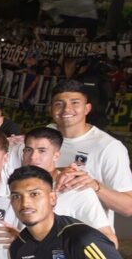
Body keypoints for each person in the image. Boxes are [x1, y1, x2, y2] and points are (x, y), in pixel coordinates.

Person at [50, 80, 132, 223]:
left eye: (75, 103)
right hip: (45, 237)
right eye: (59, 104)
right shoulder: (43, 136)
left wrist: (95, 186)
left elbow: (128, 207)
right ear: (51, 109)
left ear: (87, 108)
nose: (66, 109)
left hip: (87, 239)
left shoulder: (109, 147)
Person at [22, 127, 116, 245]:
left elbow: (110, 240)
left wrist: (70, 251)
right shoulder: (13, 186)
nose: (33, 157)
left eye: (42, 151)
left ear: (56, 156)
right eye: (28, 150)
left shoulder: (76, 188)